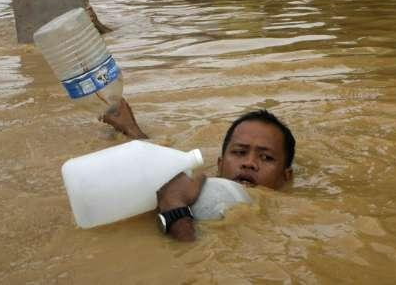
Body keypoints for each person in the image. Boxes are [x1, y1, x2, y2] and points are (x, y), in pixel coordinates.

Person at [103, 100, 296, 241]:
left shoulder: (289, 221)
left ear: (285, 177)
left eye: (266, 157)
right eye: (239, 152)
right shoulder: (193, 189)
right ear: (219, 165)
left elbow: (192, 258)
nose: (249, 163)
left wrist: (174, 207)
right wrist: (132, 132)